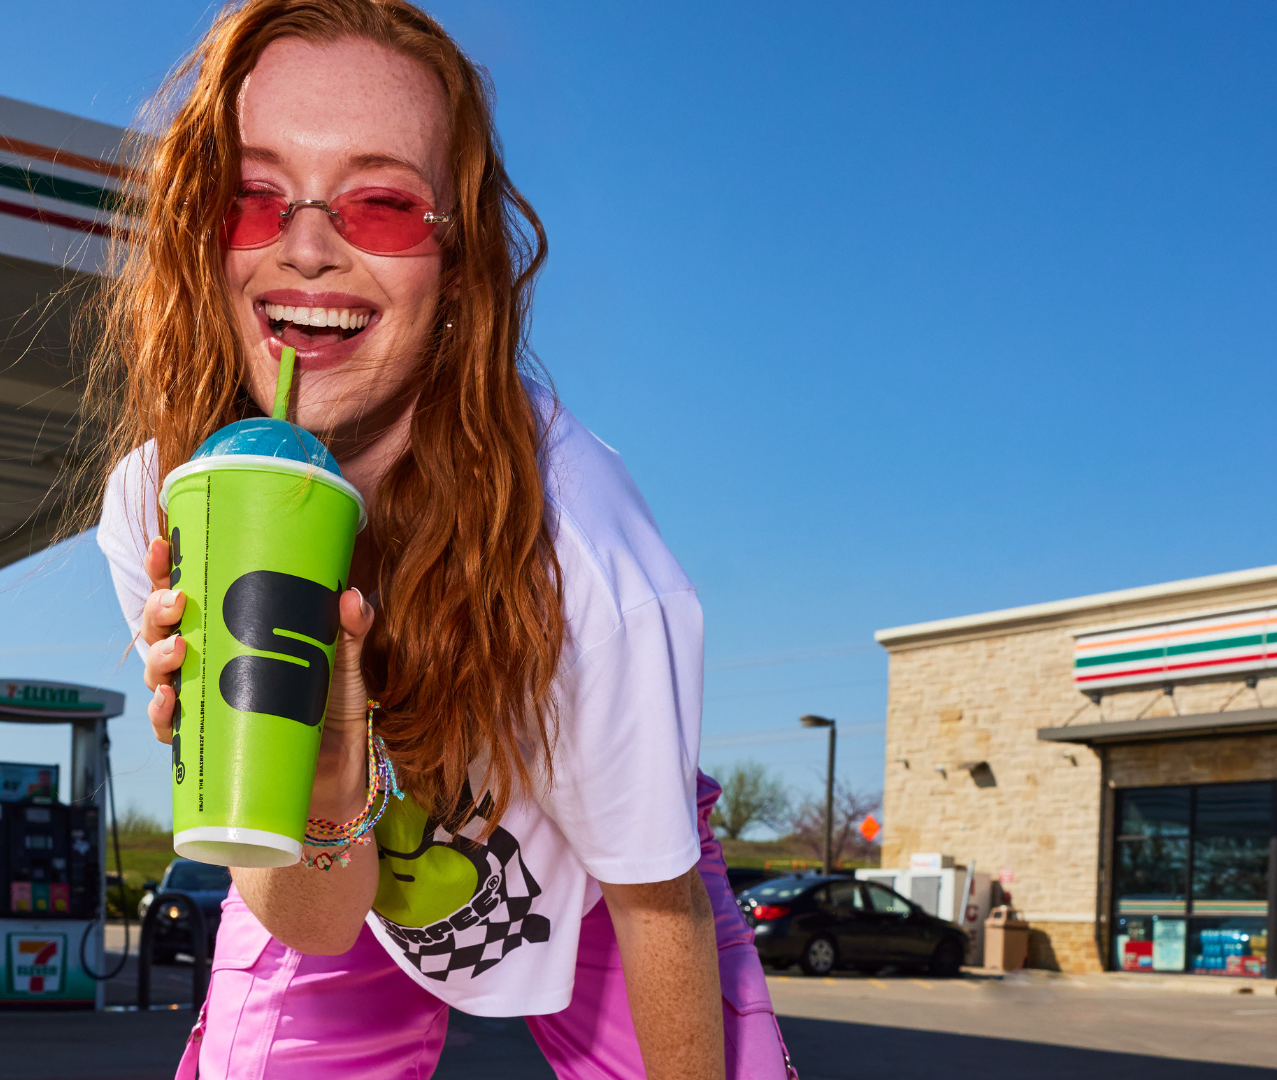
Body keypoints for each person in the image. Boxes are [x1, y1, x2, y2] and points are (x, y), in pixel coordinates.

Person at [88, 2, 793, 1077]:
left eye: (379, 204)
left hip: (608, 875)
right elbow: (316, 919)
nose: (307, 245)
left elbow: (656, 904)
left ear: (459, 267)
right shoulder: (172, 504)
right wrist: (318, 776)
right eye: (254, 195)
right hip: (358, 881)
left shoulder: (586, 553)